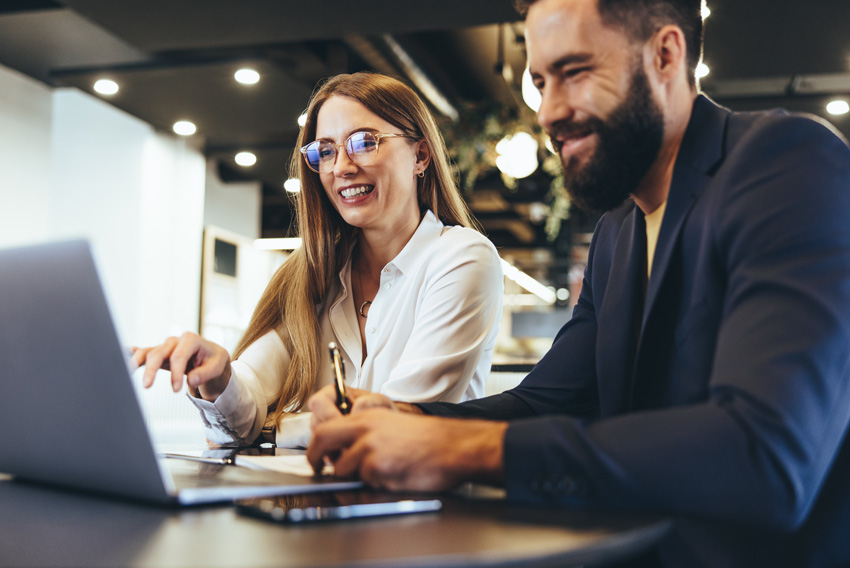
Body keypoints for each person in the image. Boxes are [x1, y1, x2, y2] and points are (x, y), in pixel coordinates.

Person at [306, 1, 850, 566]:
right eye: (540, 81)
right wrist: (406, 419)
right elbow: (546, 403)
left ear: (665, 54)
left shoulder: (786, 163)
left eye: (575, 72)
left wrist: (465, 448)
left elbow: (765, 456)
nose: (548, 111)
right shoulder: (618, 229)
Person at [133, 72, 503, 448]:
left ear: (420, 155)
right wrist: (219, 378)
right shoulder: (314, 275)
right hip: (323, 502)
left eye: (364, 142)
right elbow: (246, 402)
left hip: (429, 503)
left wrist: (273, 429)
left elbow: (397, 422)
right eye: (325, 151)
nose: (341, 166)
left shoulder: (463, 258)